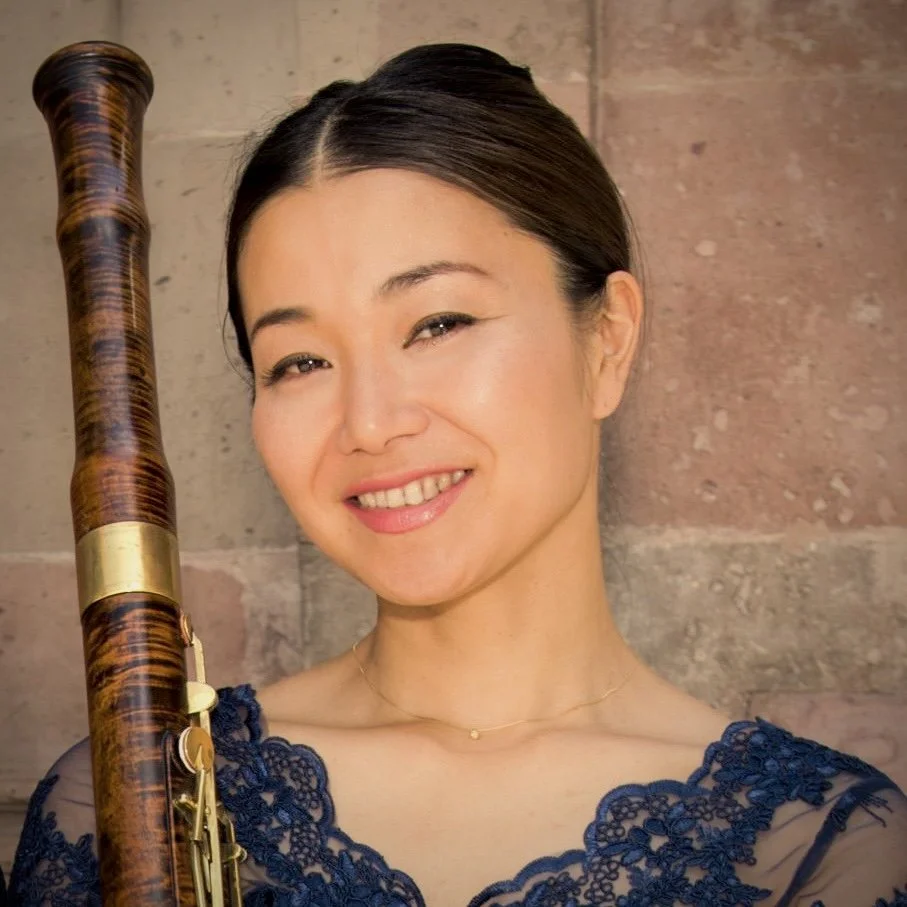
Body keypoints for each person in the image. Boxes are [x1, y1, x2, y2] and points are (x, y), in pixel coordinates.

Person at [8, 43, 907, 907]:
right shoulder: (122, 806)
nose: (368, 423)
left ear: (606, 340)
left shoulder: (823, 845)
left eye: (437, 323)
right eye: (298, 362)